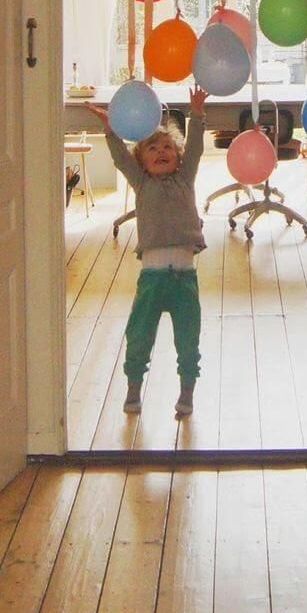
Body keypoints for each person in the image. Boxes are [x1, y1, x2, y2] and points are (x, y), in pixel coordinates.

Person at [87, 86, 208, 418]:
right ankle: (133, 389)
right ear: (141, 160)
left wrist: (197, 114)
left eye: (167, 147)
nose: (160, 152)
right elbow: (120, 159)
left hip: (185, 279)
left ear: (178, 156)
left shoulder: (185, 177)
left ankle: (186, 393)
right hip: (152, 279)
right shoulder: (141, 183)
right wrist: (110, 130)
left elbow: (196, 148)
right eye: (152, 148)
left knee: (188, 340)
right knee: (139, 336)